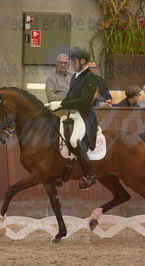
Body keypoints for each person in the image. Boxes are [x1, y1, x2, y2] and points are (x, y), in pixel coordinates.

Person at [44, 47, 98, 190]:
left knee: (74, 140)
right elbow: (70, 98)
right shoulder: (75, 77)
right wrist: (54, 106)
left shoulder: (91, 78)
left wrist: (60, 103)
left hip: (84, 115)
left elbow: (83, 101)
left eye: (73, 61)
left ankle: (89, 175)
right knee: (59, 135)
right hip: (72, 114)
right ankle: (64, 172)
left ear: (83, 61)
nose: (71, 64)